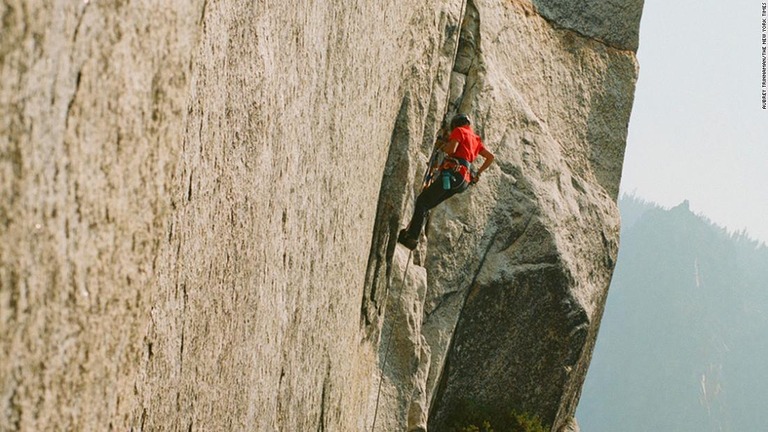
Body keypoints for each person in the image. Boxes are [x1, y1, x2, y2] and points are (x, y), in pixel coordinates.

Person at [398, 113, 495, 250]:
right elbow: (490, 157)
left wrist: (442, 146)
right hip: (463, 182)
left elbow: (452, 150)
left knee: (423, 201)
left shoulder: (459, 131)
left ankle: (412, 238)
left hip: (452, 174)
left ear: (456, 124)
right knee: (427, 204)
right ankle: (411, 234)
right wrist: (478, 173)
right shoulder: (476, 139)